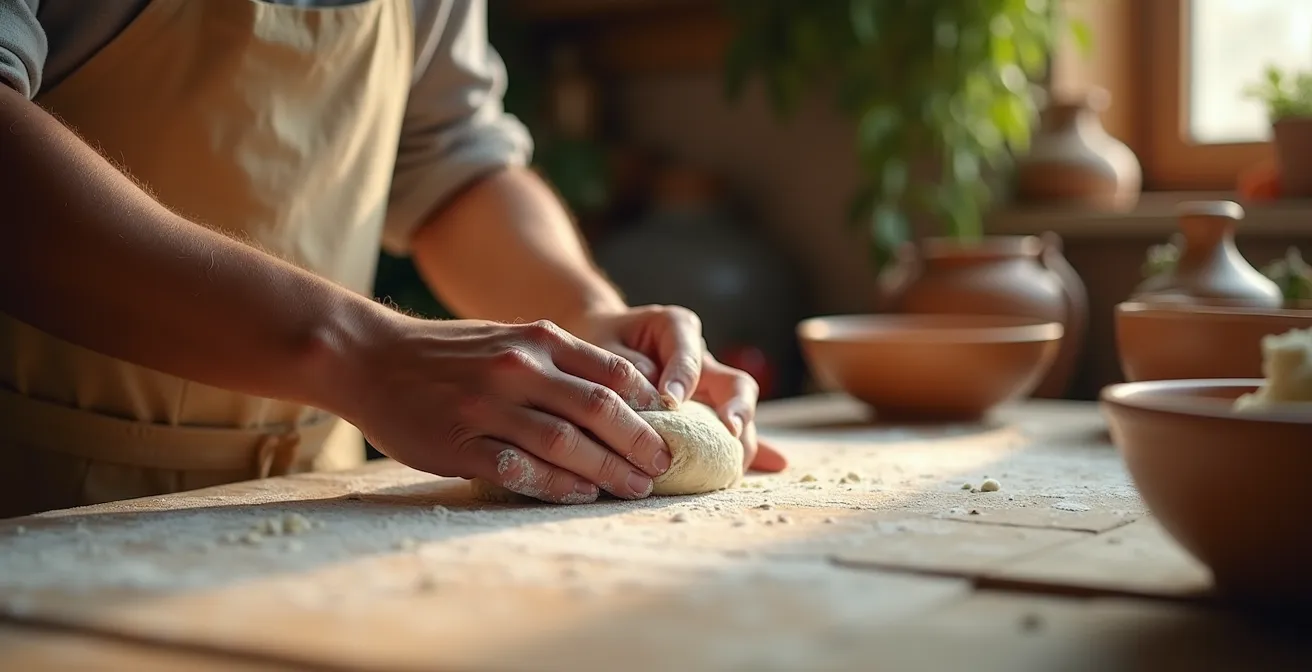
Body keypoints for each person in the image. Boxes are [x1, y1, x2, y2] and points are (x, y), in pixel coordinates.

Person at [0, 0, 787, 518]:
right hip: (40, 494)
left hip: (308, 493)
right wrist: (358, 352)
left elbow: (451, 164)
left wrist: (586, 318)